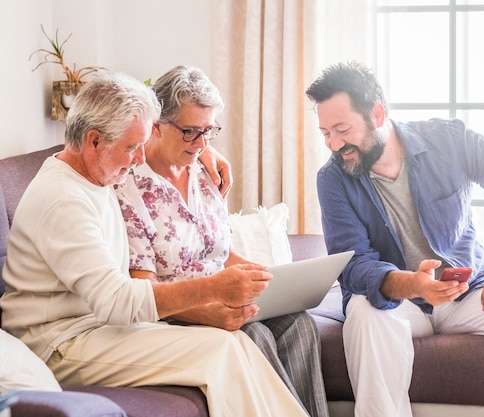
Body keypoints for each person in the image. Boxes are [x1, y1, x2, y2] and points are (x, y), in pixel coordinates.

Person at [0, 71, 309, 417]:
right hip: (59, 342)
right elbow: (116, 302)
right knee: (221, 350)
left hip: (99, 328)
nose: (139, 159)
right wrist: (214, 288)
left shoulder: (94, 168)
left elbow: (159, 124)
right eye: (132, 148)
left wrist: (199, 147)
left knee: (233, 344)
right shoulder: (64, 200)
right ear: (94, 141)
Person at [305, 61, 484, 417]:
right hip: (397, 301)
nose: (334, 144)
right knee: (363, 313)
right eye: (325, 133)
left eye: (342, 129)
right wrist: (412, 284)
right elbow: (354, 265)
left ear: (377, 114)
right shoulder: (332, 179)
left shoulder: (448, 141)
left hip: (467, 292)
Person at [113, 65, 329, 417]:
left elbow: (221, 254)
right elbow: (143, 289)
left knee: (300, 324)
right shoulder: (130, 188)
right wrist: (209, 311)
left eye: (209, 131)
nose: (201, 144)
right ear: (156, 124)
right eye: (190, 132)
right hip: (179, 311)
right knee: (253, 336)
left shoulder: (204, 171)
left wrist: (272, 280)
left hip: (225, 297)